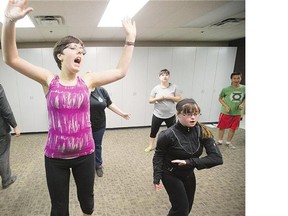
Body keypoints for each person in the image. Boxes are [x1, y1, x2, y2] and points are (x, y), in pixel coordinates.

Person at [1, 0, 136, 215]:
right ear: (60, 55)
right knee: (59, 207)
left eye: (82, 50)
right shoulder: (49, 80)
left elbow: (120, 71)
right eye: (73, 48)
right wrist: (9, 21)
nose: (79, 52)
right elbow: (11, 58)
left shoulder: (88, 81)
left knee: (87, 203)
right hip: (55, 158)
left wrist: (130, 40)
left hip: (85, 154)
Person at [152, 98, 223, 216]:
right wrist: (157, 177)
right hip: (170, 174)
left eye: (196, 114)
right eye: (188, 114)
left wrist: (189, 162)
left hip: (189, 173)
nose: (193, 118)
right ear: (178, 115)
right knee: (180, 209)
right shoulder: (167, 135)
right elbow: (158, 156)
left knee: (187, 208)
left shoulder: (203, 131)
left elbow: (217, 158)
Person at [90, 86, 130, 177]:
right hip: (84, 126)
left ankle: (98, 165)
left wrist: (122, 114)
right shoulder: (82, 91)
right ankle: (86, 166)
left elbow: (109, 103)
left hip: (99, 125)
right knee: (85, 147)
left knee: (97, 145)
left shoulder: (101, 90)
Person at [145, 69, 182, 152]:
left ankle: (172, 146)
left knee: (173, 131)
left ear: (169, 76)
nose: (165, 76)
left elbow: (179, 99)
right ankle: (151, 145)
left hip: (170, 115)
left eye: (166, 75)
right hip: (157, 114)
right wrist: (158, 98)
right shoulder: (156, 88)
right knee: (153, 131)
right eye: (162, 75)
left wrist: (169, 97)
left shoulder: (174, 87)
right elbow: (150, 100)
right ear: (159, 77)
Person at [217, 72, 245, 149]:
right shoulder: (226, 89)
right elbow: (220, 99)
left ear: (241, 78)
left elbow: (245, 98)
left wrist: (242, 104)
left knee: (233, 128)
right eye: (234, 78)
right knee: (222, 127)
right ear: (231, 79)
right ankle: (219, 141)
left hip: (237, 113)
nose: (236, 80)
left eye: (238, 78)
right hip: (226, 112)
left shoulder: (244, 88)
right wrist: (225, 106)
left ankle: (228, 142)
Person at [0, 84, 21, 189]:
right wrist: (15, 125)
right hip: (1, 131)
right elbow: (5, 109)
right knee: (3, 154)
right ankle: (6, 180)